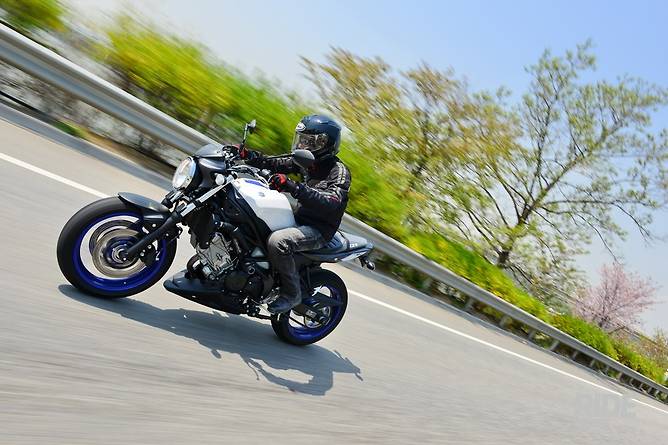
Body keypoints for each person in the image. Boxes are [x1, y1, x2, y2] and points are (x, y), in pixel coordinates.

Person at [239, 114, 351, 314]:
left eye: (309, 141)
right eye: (302, 139)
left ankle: (292, 294)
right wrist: (249, 156)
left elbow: (331, 202)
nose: (302, 145)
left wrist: (294, 187)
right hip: (298, 219)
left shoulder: (339, 172)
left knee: (278, 242)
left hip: (318, 230)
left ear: (324, 144)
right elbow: (276, 163)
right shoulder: (306, 160)